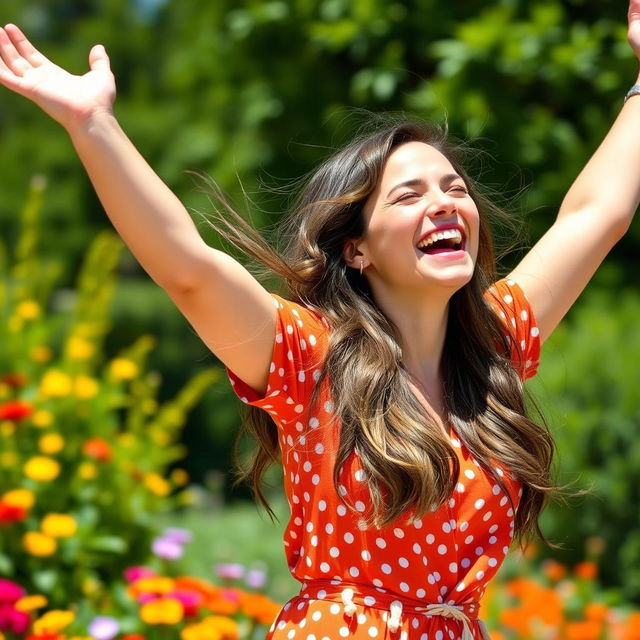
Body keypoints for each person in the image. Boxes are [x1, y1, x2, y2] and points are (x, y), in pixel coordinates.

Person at [0, 2, 639, 637]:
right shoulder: (312, 356)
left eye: (455, 189)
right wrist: (93, 125)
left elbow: (596, 215)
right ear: (355, 248)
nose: (444, 204)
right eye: (409, 195)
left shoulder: (494, 345)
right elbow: (188, 269)